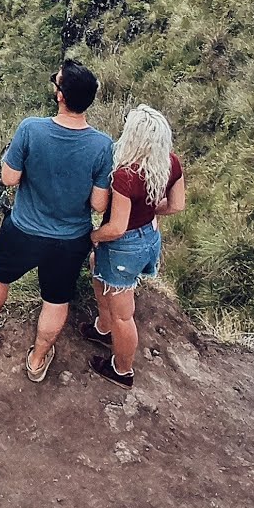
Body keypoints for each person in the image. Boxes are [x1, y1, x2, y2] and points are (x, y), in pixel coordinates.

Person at [0, 59, 114, 382]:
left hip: (25, 227)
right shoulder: (102, 146)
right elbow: (98, 202)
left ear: (60, 96)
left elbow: (9, 178)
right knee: (56, 299)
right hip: (70, 239)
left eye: (56, 82)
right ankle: (38, 360)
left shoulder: (31, 129)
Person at [85, 103, 186, 389]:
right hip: (149, 238)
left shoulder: (125, 176)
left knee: (123, 314)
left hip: (123, 246)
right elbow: (177, 205)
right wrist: (150, 211)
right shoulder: (171, 163)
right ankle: (102, 328)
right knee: (97, 269)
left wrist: (94, 235)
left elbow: (116, 228)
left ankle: (122, 370)